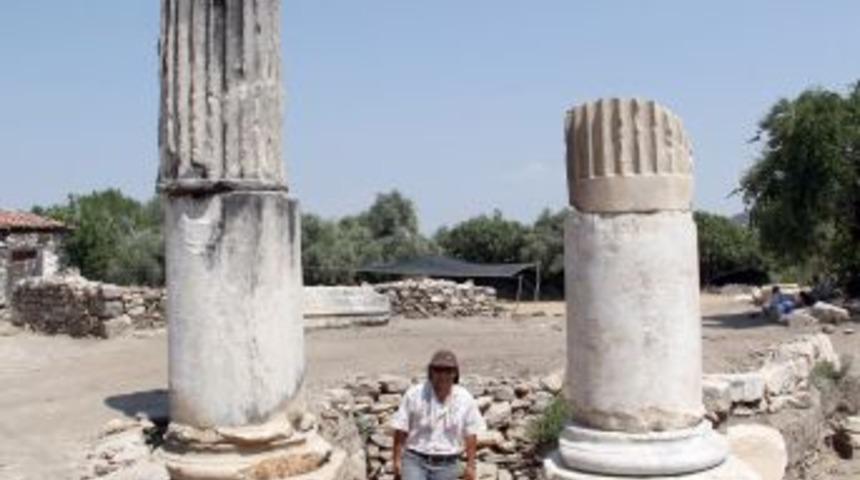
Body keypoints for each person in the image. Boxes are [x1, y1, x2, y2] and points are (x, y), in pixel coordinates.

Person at [391, 349, 486, 480]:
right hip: (415, 458)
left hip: (448, 462)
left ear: (455, 373)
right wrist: (396, 460)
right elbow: (401, 428)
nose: (443, 375)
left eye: (448, 371)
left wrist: (471, 466)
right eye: (438, 370)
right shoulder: (414, 394)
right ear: (431, 372)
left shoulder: (465, 399)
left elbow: (470, 433)